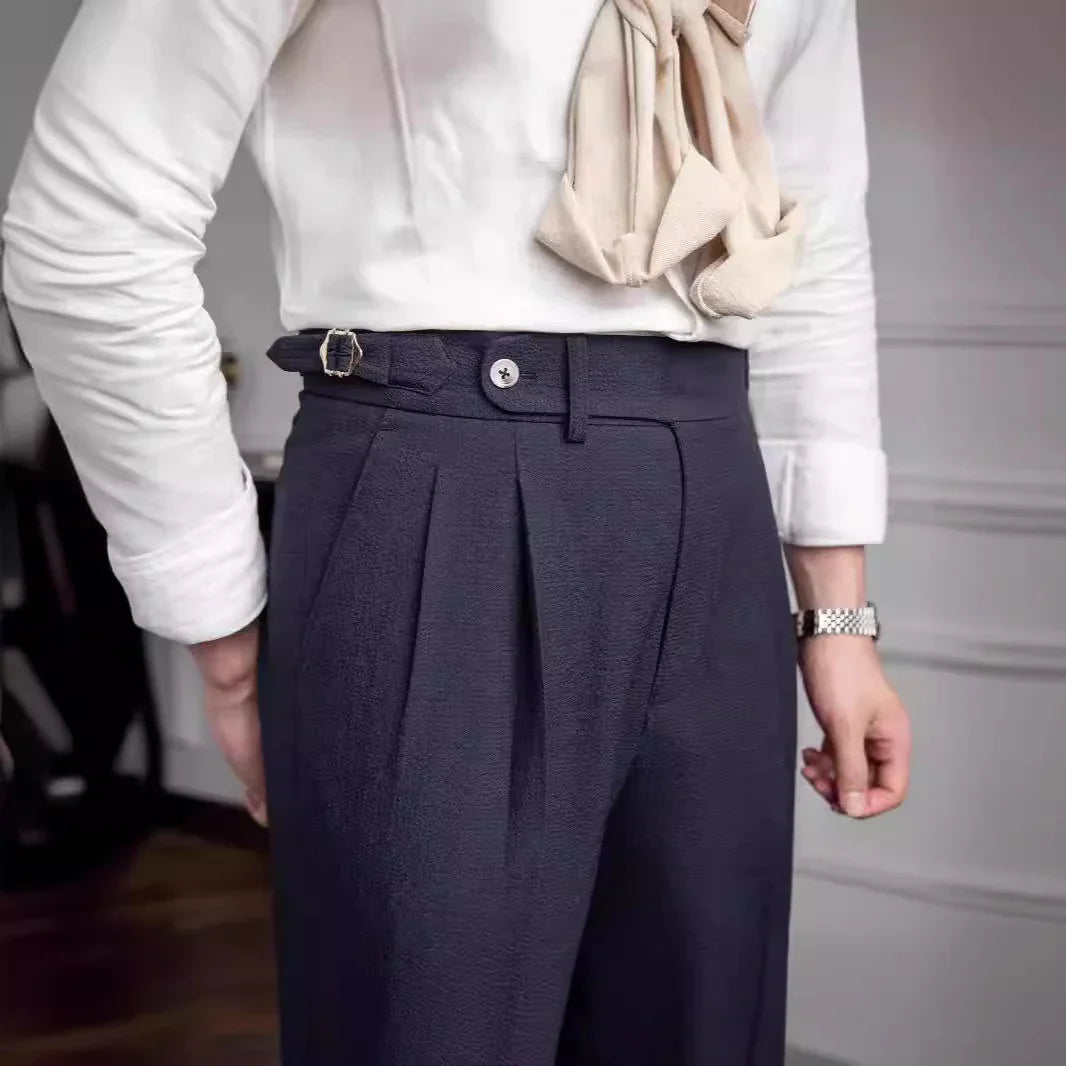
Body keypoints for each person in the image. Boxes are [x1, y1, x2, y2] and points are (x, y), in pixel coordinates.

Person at [1, 0, 912, 1062]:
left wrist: (837, 614)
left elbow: (813, 237)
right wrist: (221, 624)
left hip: (716, 501)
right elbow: (88, 226)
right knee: (429, 1028)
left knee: (705, 1024)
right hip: (437, 490)